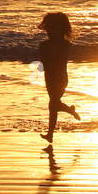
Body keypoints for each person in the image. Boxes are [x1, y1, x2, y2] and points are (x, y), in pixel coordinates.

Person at [37, 11, 80, 147]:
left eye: (53, 27)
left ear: (62, 28)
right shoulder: (44, 45)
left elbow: (59, 59)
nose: (50, 31)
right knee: (53, 105)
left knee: (53, 104)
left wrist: (48, 56)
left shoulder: (65, 45)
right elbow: (43, 64)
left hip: (60, 78)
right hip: (49, 78)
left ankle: (67, 113)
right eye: (48, 28)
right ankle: (51, 133)